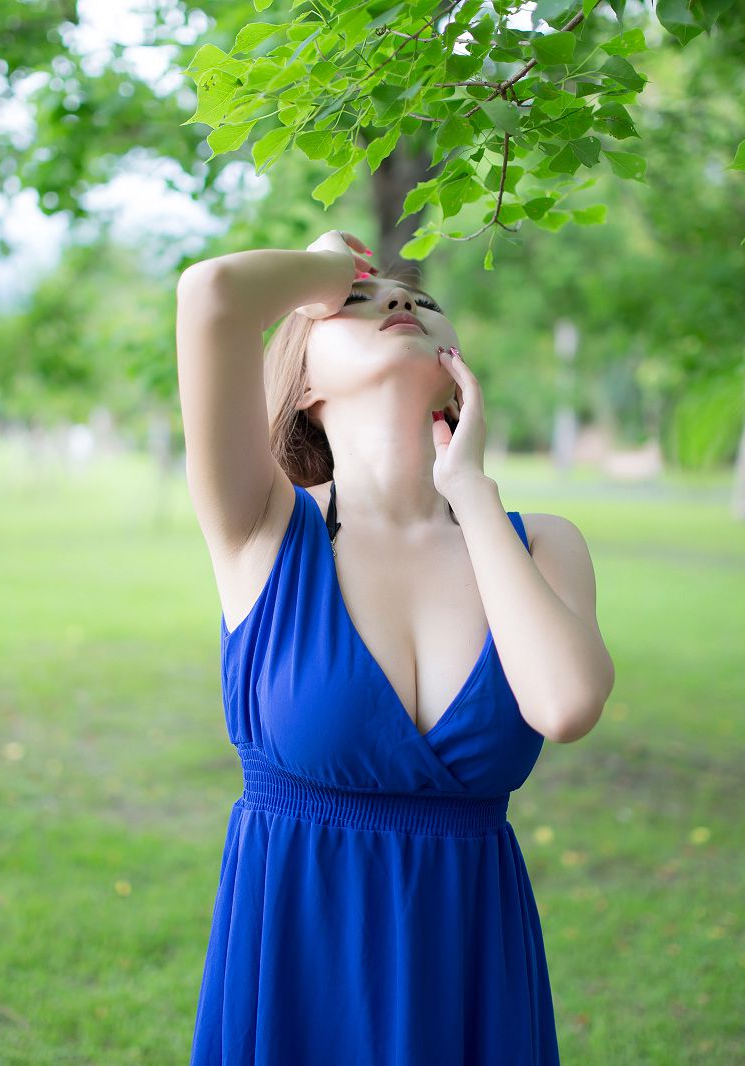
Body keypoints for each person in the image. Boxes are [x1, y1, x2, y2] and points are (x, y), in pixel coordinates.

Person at [175, 229, 613, 1063]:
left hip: (468, 967)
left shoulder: (543, 543)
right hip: (301, 966)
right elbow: (213, 295)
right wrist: (324, 269)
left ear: (456, 364)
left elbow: (565, 704)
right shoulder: (263, 528)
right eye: (365, 301)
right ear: (302, 383)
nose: (402, 301)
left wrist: (473, 497)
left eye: (421, 300)